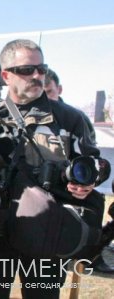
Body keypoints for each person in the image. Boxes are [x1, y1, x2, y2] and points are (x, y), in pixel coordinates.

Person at [0, 39, 108, 299]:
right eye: (27, 70)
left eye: (42, 68)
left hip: (47, 234)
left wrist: (86, 182)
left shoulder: (70, 119)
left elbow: (94, 165)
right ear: (6, 75)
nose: (37, 75)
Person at [45, 68, 114, 273]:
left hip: (60, 203)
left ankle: (90, 254)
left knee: (44, 285)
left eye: (48, 92)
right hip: (2, 211)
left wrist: (87, 181)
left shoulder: (74, 119)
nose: (43, 99)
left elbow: (93, 161)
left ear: (59, 89)